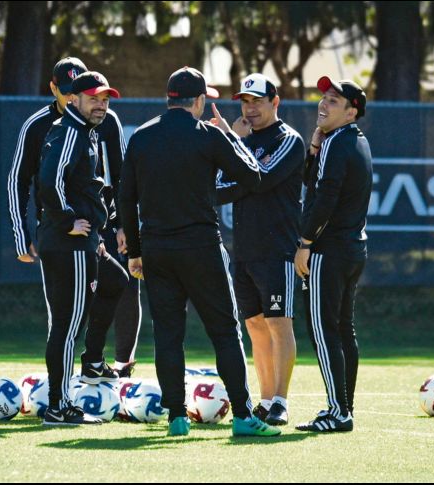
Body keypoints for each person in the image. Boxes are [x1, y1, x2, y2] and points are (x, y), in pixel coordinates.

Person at [118, 66, 281, 438]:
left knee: (168, 335)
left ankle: (177, 417)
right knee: (224, 332)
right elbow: (253, 176)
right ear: (200, 101)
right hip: (201, 248)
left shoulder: (141, 136)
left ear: (169, 99)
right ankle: (243, 415)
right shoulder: (209, 135)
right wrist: (231, 136)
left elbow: (126, 199)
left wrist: (135, 253)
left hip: (157, 250)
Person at [6, 57, 139, 386]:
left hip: (95, 228)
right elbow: (24, 181)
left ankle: (96, 361)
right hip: (63, 232)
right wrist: (25, 234)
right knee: (64, 318)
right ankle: (59, 395)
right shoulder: (46, 126)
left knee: (117, 282)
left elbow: (120, 176)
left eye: (96, 96)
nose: (72, 98)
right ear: (55, 89)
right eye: (67, 92)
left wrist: (122, 224)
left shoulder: (102, 120)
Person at [35, 70, 126, 426]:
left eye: (104, 100)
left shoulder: (84, 131)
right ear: (73, 99)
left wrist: (95, 235)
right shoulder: (70, 131)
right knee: (67, 326)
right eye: (93, 99)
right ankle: (59, 406)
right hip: (68, 243)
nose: (101, 105)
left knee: (115, 280)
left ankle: (92, 361)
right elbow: (49, 181)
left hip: (84, 241)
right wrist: (68, 220)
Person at [215, 73, 305, 426]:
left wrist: (232, 142)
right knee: (254, 324)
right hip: (244, 249)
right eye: (245, 102)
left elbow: (262, 177)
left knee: (279, 323)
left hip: (277, 249)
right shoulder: (243, 141)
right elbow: (219, 188)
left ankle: (281, 400)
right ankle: (265, 400)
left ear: (275, 102)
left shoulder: (288, 140)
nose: (250, 109)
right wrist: (235, 145)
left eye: (257, 101)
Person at [294, 76, 373, 433]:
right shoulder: (356, 142)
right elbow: (313, 182)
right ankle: (345, 407)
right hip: (353, 249)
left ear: (351, 112)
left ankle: (338, 411)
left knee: (324, 332)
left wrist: (305, 243)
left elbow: (324, 199)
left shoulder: (337, 143)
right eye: (323, 98)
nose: (323, 105)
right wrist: (314, 146)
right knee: (342, 329)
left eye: (334, 101)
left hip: (328, 251)